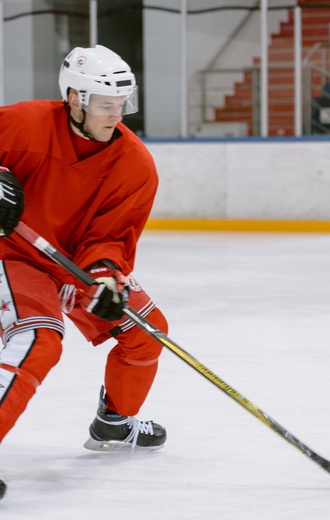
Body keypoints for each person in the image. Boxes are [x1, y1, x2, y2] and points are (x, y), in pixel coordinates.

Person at [0, 45, 168, 498]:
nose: (116, 115)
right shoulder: (23, 123)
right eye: (104, 104)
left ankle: (114, 423)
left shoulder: (134, 163)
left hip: (70, 265)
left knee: (146, 329)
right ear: (74, 98)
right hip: (12, 254)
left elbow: (111, 236)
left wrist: (107, 276)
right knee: (39, 341)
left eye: (122, 104)